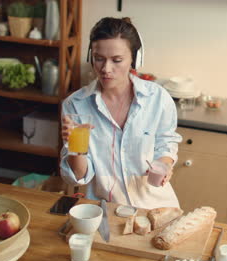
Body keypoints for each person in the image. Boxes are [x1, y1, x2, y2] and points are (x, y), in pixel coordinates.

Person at [60, 17, 182, 209]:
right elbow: (79, 177)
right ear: (90, 56)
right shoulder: (76, 105)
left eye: (117, 60)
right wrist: (75, 147)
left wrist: (165, 164)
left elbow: (166, 143)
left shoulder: (157, 98)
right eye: (99, 59)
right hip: (105, 209)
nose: (106, 69)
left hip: (155, 206)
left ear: (135, 58)